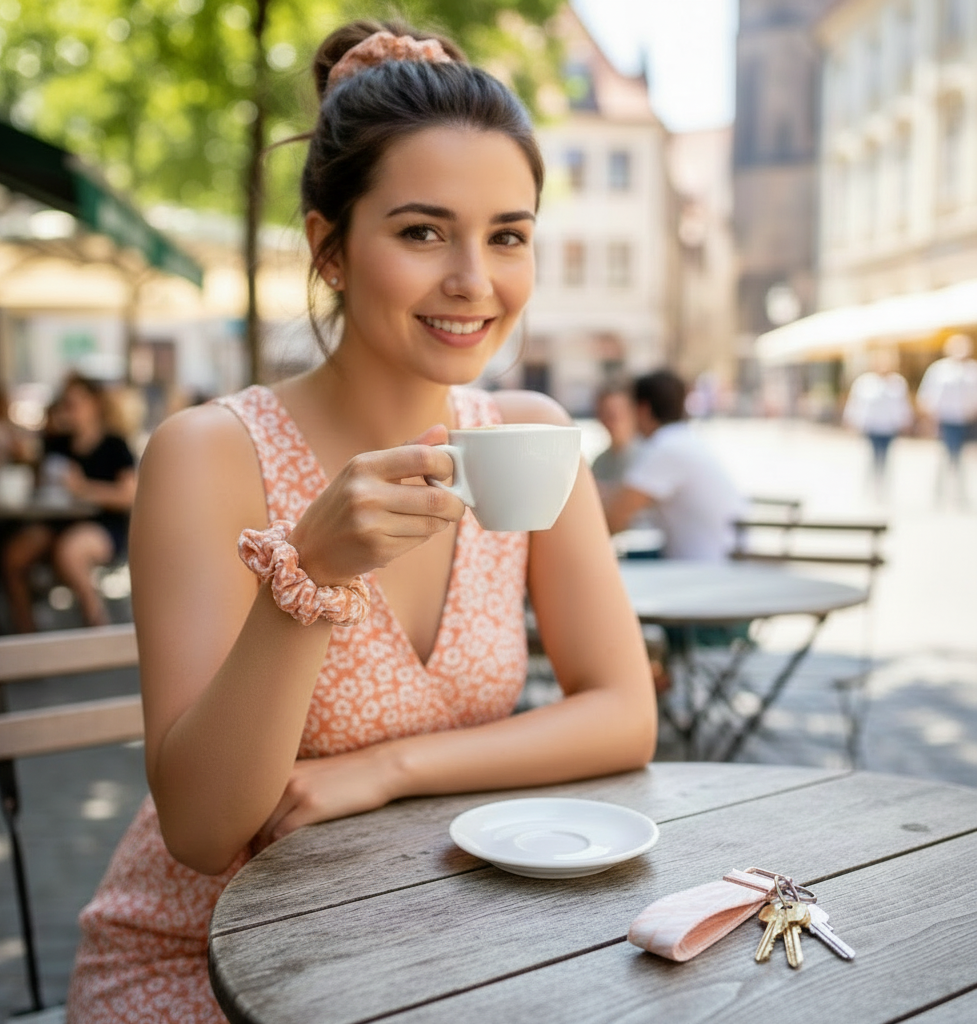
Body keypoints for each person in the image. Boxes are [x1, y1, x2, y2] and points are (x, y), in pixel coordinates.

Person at [66, 20, 657, 1022]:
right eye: (423, 231)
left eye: (507, 235)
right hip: (210, 961)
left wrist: (381, 770)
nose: (475, 279)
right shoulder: (208, 455)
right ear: (328, 247)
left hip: (433, 944)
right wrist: (308, 577)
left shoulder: (531, 434)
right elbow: (207, 829)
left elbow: (621, 713)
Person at [2, 374, 136, 632]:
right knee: (14, 555)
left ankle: (97, 625)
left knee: (70, 551)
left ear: (95, 404)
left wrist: (83, 488)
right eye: (66, 404)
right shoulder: (57, 443)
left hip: (102, 525)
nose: (69, 410)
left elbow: (128, 496)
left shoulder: (114, 445)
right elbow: (39, 485)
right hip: (57, 521)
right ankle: (26, 631)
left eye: (75, 403)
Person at [605, 370, 745, 561]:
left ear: (643, 409)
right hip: (724, 555)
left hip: (705, 566)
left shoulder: (665, 448)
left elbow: (613, 520)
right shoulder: (682, 438)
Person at [842, 349, 913, 491]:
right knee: (872, 456)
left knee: (886, 457)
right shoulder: (865, 382)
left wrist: (905, 422)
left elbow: (902, 405)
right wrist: (851, 420)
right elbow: (855, 403)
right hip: (872, 426)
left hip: (889, 427)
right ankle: (871, 486)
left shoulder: (897, 383)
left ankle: (883, 486)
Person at [917, 333, 977, 496]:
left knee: (962, 457)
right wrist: (929, 417)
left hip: (967, 420)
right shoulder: (939, 369)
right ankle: (940, 492)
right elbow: (926, 394)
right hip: (945, 419)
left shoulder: (972, 369)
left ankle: (960, 492)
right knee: (945, 456)